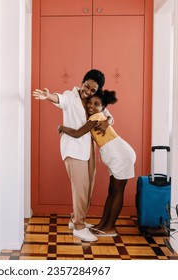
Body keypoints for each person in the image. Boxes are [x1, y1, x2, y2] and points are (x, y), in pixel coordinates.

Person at [32, 69, 111, 242]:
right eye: (86, 86)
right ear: (82, 82)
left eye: (92, 90)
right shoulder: (71, 96)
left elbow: (108, 116)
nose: (87, 92)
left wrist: (107, 121)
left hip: (89, 149)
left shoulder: (92, 101)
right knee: (80, 189)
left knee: (88, 188)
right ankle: (79, 227)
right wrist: (48, 96)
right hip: (73, 149)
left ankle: (75, 219)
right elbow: (60, 99)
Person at [58, 90, 136, 237]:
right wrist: (108, 120)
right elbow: (107, 118)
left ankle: (110, 227)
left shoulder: (96, 117)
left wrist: (61, 128)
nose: (91, 106)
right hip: (117, 156)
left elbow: (77, 133)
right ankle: (103, 225)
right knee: (112, 192)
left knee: (117, 192)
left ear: (103, 107)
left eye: (96, 104)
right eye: (90, 103)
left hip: (121, 156)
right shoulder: (98, 116)